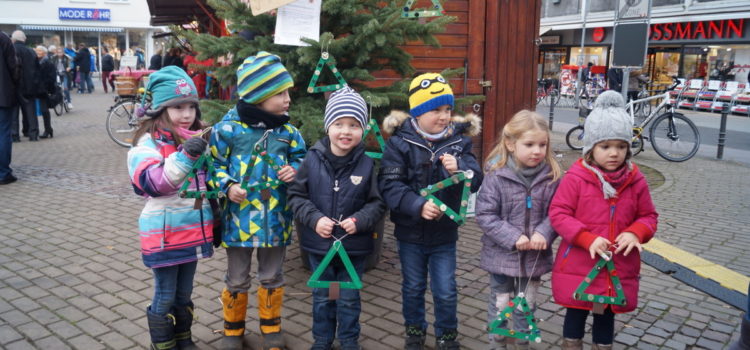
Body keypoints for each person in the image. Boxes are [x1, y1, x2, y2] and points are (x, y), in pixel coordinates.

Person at [378, 73, 483, 350]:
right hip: (410, 234)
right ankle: (414, 332)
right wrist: (417, 205)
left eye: (448, 109)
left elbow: (476, 178)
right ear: (418, 112)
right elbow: (390, 185)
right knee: (413, 287)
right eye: (436, 110)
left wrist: (460, 168)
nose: (444, 116)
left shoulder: (459, 144)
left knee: (445, 290)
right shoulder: (399, 143)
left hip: (444, 234)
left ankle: (447, 335)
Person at [209, 51, 306, 350]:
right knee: (237, 277)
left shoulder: (288, 132)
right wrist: (227, 186)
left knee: (272, 275)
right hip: (239, 220)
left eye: (288, 91)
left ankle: (271, 326)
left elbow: (303, 160)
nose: (288, 98)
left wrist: (296, 170)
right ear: (258, 96)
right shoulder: (226, 130)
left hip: (275, 219)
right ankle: (232, 329)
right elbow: (213, 167)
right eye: (280, 93)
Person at [549, 90, 658, 350]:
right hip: (580, 263)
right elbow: (559, 214)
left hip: (616, 268)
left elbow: (648, 215)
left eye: (621, 146)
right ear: (591, 148)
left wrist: (636, 232)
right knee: (575, 313)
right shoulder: (575, 179)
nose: (614, 153)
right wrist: (586, 238)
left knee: (606, 314)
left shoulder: (636, 181)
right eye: (605, 146)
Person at [288, 87, 386, 350]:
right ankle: (322, 340)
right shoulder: (311, 159)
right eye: (339, 124)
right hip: (320, 248)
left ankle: (349, 340)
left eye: (354, 125)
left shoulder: (366, 164)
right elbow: (297, 197)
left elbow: (377, 203)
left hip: (352, 249)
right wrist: (315, 219)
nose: (346, 131)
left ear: (363, 129)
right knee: (324, 296)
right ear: (328, 126)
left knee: (349, 297)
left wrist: (360, 221)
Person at [127, 65, 214, 350]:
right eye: (178, 107)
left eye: (191, 106)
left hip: (191, 231)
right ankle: (163, 345)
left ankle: (183, 339)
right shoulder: (146, 143)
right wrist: (186, 156)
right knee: (165, 295)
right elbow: (154, 183)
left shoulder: (196, 138)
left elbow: (207, 182)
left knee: (184, 293)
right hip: (164, 235)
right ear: (161, 109)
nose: (187, 114)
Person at [475, 110, 562, 350]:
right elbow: (484, 214)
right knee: (501, 307)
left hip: (533, 259)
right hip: (501, 257)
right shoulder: (496, 176)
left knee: (527, 307)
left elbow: (558, 213)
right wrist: (514, 237)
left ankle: (523, 345)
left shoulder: (552, 177)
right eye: (530, 144)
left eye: (542, 145)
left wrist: (544, 233)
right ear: (511, 144)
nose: (537, 151)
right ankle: (498, 344)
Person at [11, 30, 39, 141]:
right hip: (29, 86)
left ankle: (14, 135)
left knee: (14, 112)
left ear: (13, 39)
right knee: (31, 112)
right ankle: (33, 134)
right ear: (24, 39)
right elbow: (37, 70)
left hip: (14, 86)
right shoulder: (31, 52)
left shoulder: (11, 50)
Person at [0, 31, 19, 185]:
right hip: (3, 95)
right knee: (3, 133)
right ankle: (3, 173)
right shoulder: (3, 38)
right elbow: (13, 66)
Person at [34, 45, 56, 139]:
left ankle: (48, 129)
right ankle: (48, 129)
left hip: (44, 90)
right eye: (36, 51)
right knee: (42, 110)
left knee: (44, 110)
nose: (37, 53)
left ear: (44, 52)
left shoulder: (48, 63)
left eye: (39, 51)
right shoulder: (36, 62)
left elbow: (52, 78)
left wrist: (46, 88)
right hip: (38, 90)